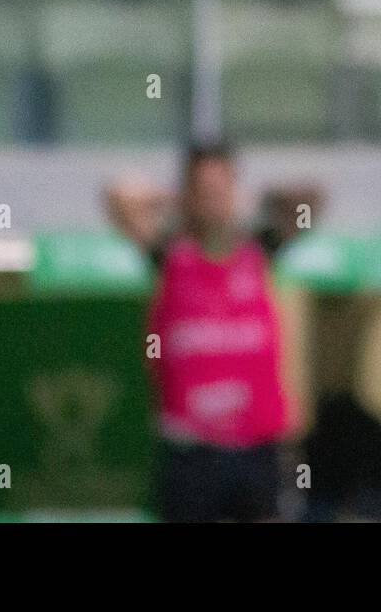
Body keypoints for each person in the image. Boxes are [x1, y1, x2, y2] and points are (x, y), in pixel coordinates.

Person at [106, 141, 298, 522]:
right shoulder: (169, 255)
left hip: (256, 451)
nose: (213, 198)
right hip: (191, 455)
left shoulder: (259, 251)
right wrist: (173, 202)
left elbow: (311, 199)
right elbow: (118, 197)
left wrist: (249, 201)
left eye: (220, 188)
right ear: (188, 194)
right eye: (203, 189)